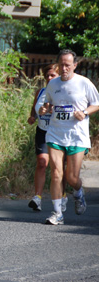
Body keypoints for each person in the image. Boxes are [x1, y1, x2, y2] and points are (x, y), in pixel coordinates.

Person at [38, 49, 99, 225]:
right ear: (58, 65)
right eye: (61, 65)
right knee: (56, 172)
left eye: (67, 65)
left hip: (77, 136)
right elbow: (48, 103)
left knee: (72, 178)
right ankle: (57, 213)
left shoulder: (83, 83)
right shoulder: (53, 84)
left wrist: (85, 112)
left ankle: (78, 192)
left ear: (74, 65)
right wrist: (45, 109)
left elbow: (97, 103)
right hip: (56, 133)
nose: (64, 68)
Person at [27, 63, 64, 212]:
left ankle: (62, 195)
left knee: (59, 167)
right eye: (47, 75)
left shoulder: (63, 92)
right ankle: (38, 198)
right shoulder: (41, 91)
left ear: (58, 76)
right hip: (43, 131)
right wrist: (32, 116)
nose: (49, 78)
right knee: (42, 162)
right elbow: (35, 107)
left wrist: (54, 109)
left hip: (59, 132)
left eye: (52, 75)